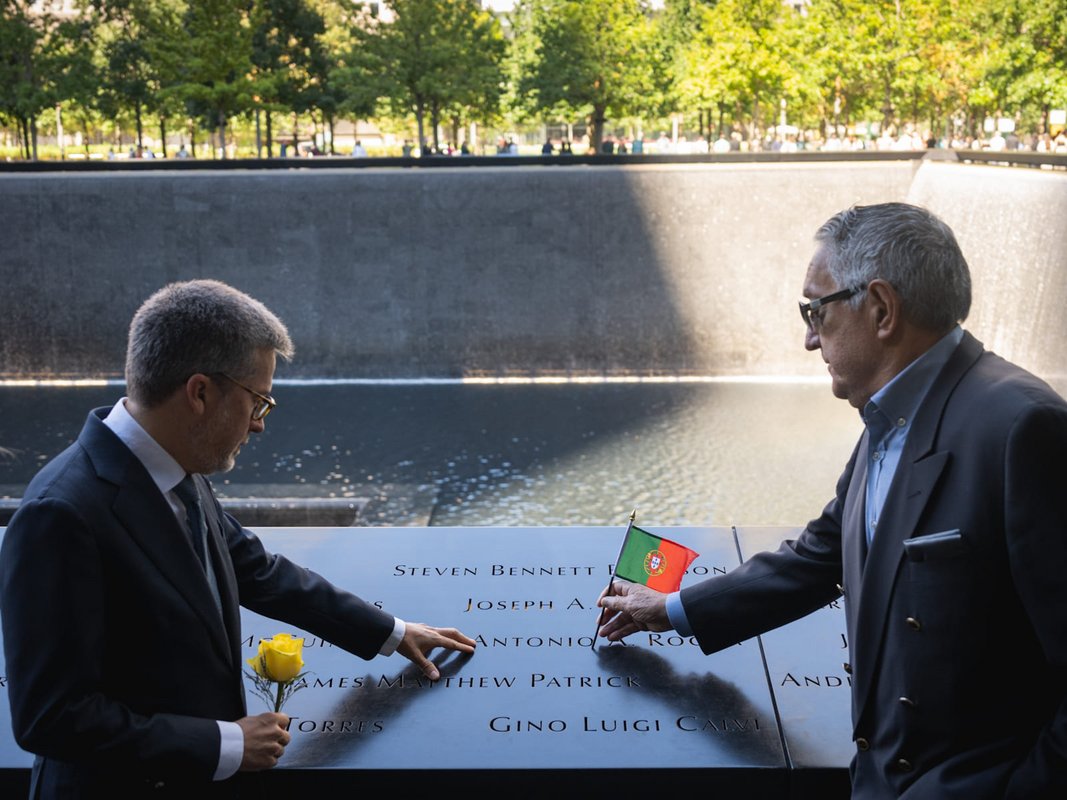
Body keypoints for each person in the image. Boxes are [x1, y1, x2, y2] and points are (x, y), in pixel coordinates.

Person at [597, 202, 1067, 799]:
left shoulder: (1025, 428)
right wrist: (668, 610)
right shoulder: (892, 414)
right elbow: (821, 557)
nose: (808, 337)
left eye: (815, 309)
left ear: (881, 309)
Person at [0, 279, 477, 797]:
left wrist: (389, 631)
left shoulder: (173, 468)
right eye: (258, 402)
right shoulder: (61, 514)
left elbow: (254, 568)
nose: (258, 426)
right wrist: (224, 744)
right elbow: (50, 717)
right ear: (200, 392)